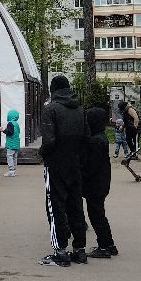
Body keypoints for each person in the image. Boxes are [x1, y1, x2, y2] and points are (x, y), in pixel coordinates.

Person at [39, 75, 89, 267]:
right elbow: (87, 137)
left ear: (53, 90)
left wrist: (42, 153)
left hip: (55, 164)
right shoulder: (79, 109)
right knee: (75, 204)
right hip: (75, 163)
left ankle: (60, 250)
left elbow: (49, 140)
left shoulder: (50, 109)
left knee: (55, 205)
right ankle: (79, 249)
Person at [82, 107, 117, 259]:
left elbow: (91, 166)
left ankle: (104, 246)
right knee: (99, 214)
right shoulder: (100, 137)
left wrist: (80, 176)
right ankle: (109, 244)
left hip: (95, 184)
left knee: (96, 215)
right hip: (101, 182)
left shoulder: (95, 141)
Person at [2, 109, 20, 177]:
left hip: (11, 144)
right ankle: (14, 170)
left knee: (9, 156)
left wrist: (3, 130)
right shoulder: (16, 124)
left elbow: (10, 132)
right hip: (16, 143)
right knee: (15, 157)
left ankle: (11, 171)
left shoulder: (10, 123)